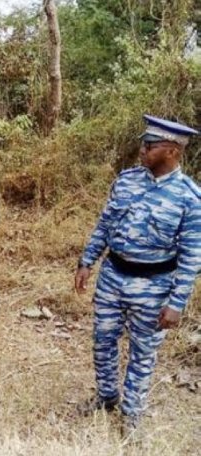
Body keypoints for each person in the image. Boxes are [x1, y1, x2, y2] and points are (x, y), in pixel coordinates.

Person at [74, 114, 201, 439]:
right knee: (102, 342)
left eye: (150, 145)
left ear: (172, 151)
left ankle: (131, 413)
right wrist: (87, 260)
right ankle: (106, 397)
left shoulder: (189, 198)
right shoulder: (127, 180)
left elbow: (191, 257)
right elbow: (105, 223)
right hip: (112, 277)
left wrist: (176, 304)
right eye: (143, 143)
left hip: (155, 286)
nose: (142, 149)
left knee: (143, 352)